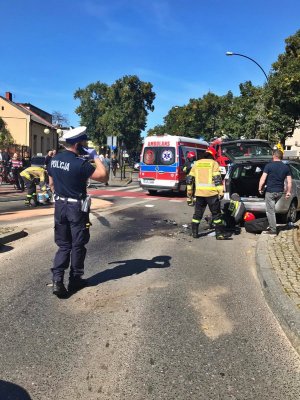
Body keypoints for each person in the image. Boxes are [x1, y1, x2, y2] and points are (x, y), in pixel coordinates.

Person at [48, 126, 108, 298]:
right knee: (77, 244)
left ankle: (57, 280)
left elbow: (51, 184)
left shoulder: (54, 160)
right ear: (78, 144)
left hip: (60, 207)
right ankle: (75, 279)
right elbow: (104, 176)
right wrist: (95, 156)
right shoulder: (80, 164)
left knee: (63, 244)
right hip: (76, 208)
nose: (85, 144)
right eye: (84, 142)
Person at [187, 147, 227, 240]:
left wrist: (189, 196)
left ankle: (195, 233)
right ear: (212, 155)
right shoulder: (214, 163)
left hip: (199, 194)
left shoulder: (196, 164)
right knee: (216, 215)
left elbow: (189, 180)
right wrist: (221, 192)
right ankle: (219, 234)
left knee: (197, 215)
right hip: (211, 194)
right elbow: (217, 179)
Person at [258, 149, 292, 235]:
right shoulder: (286, 167)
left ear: (274, 156)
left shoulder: (269, 166)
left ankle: (273, 230)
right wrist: (288, 192)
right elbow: (289, 181)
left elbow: (263, 178)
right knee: (271, 210)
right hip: (280, 192)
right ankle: (271, 225)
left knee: (270, 211)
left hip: (270, 192)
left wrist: (260, 188)